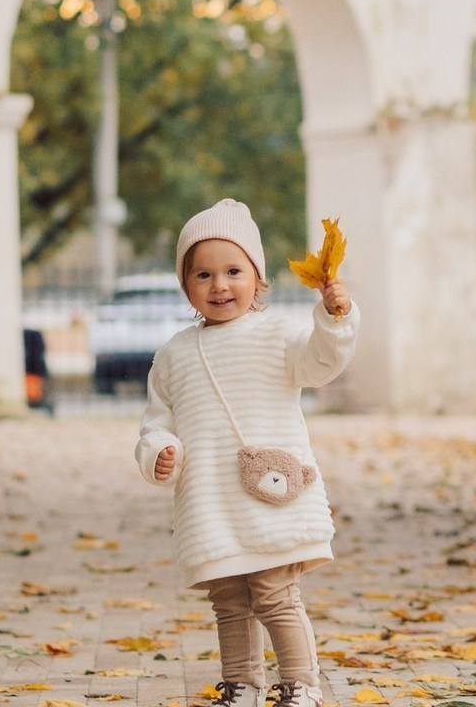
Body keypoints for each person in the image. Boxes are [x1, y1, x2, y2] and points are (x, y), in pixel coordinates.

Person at [136, 198, 359, 707]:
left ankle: (301, 685)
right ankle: (242, 684)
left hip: (267, 495)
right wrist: (160, 451)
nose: (219, 285)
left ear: (258, 278)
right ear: (186, 284)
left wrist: (334, 316)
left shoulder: (278, 334)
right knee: (229, 600)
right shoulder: (174, 354)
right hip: (212, 501)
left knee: (276, 594)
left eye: (233, 271)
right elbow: (157, 421)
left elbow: (320, 362)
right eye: (203, 274)